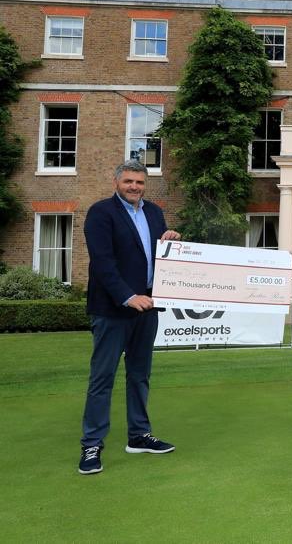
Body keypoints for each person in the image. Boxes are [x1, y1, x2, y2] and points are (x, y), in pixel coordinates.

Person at [78, 160, 181, 475]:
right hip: (112, 309)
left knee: (140, 375)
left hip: (148, 308)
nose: (134, 187)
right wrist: (127, 296)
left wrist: (169, 244)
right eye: (129, 182)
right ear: (116, 182)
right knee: (102, 378)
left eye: (139, 182)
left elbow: (152, 256)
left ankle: (138, 435)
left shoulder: (153, 212)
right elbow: (103, 263)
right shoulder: (101, 213)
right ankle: (92, 444)